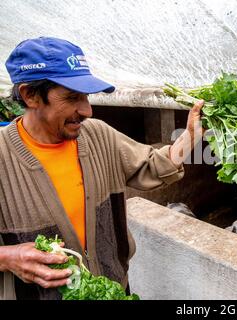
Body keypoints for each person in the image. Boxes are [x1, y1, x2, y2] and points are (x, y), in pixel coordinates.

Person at [0, 36, 204, 299]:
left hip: (111, 291)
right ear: (30, 95)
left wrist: (189, 137)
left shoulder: (98, 135)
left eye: (85, 96)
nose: (87, 110)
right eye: (72, 97)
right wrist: (7, 257)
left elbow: (153, 165)